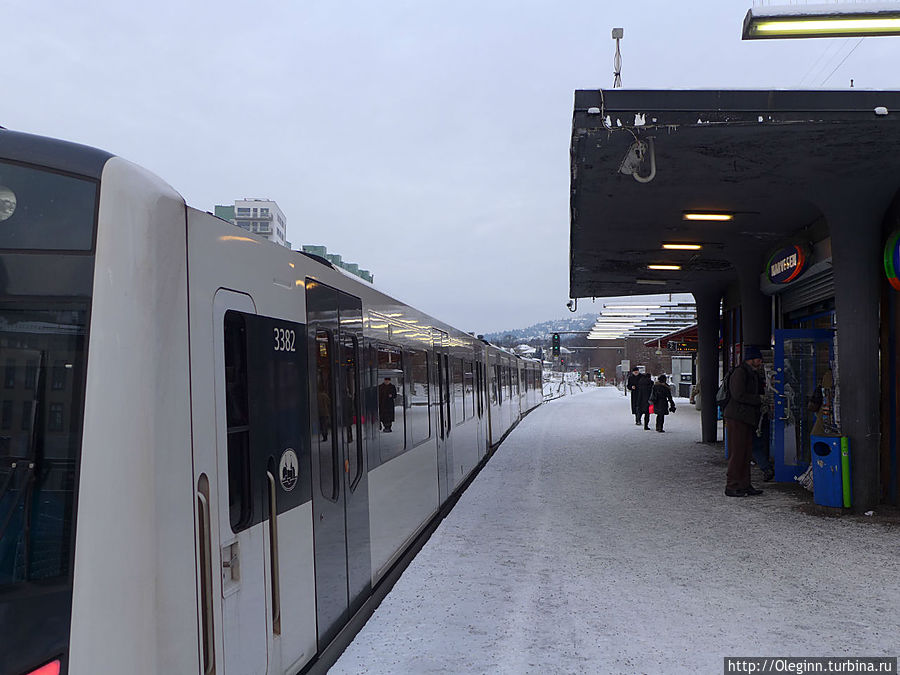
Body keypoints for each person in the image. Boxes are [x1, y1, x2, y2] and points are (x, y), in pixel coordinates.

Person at [724, 346, 766, 497]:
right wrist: (759, 399)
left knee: (745, 452)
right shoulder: (740, 372)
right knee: (738, 452)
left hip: (745, 417)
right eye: (758, 358)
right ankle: (733, 485)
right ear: (751, 359)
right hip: (738, 417)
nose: (760, 361)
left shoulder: (749, 372)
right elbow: (738, 395)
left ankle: (744, 484)